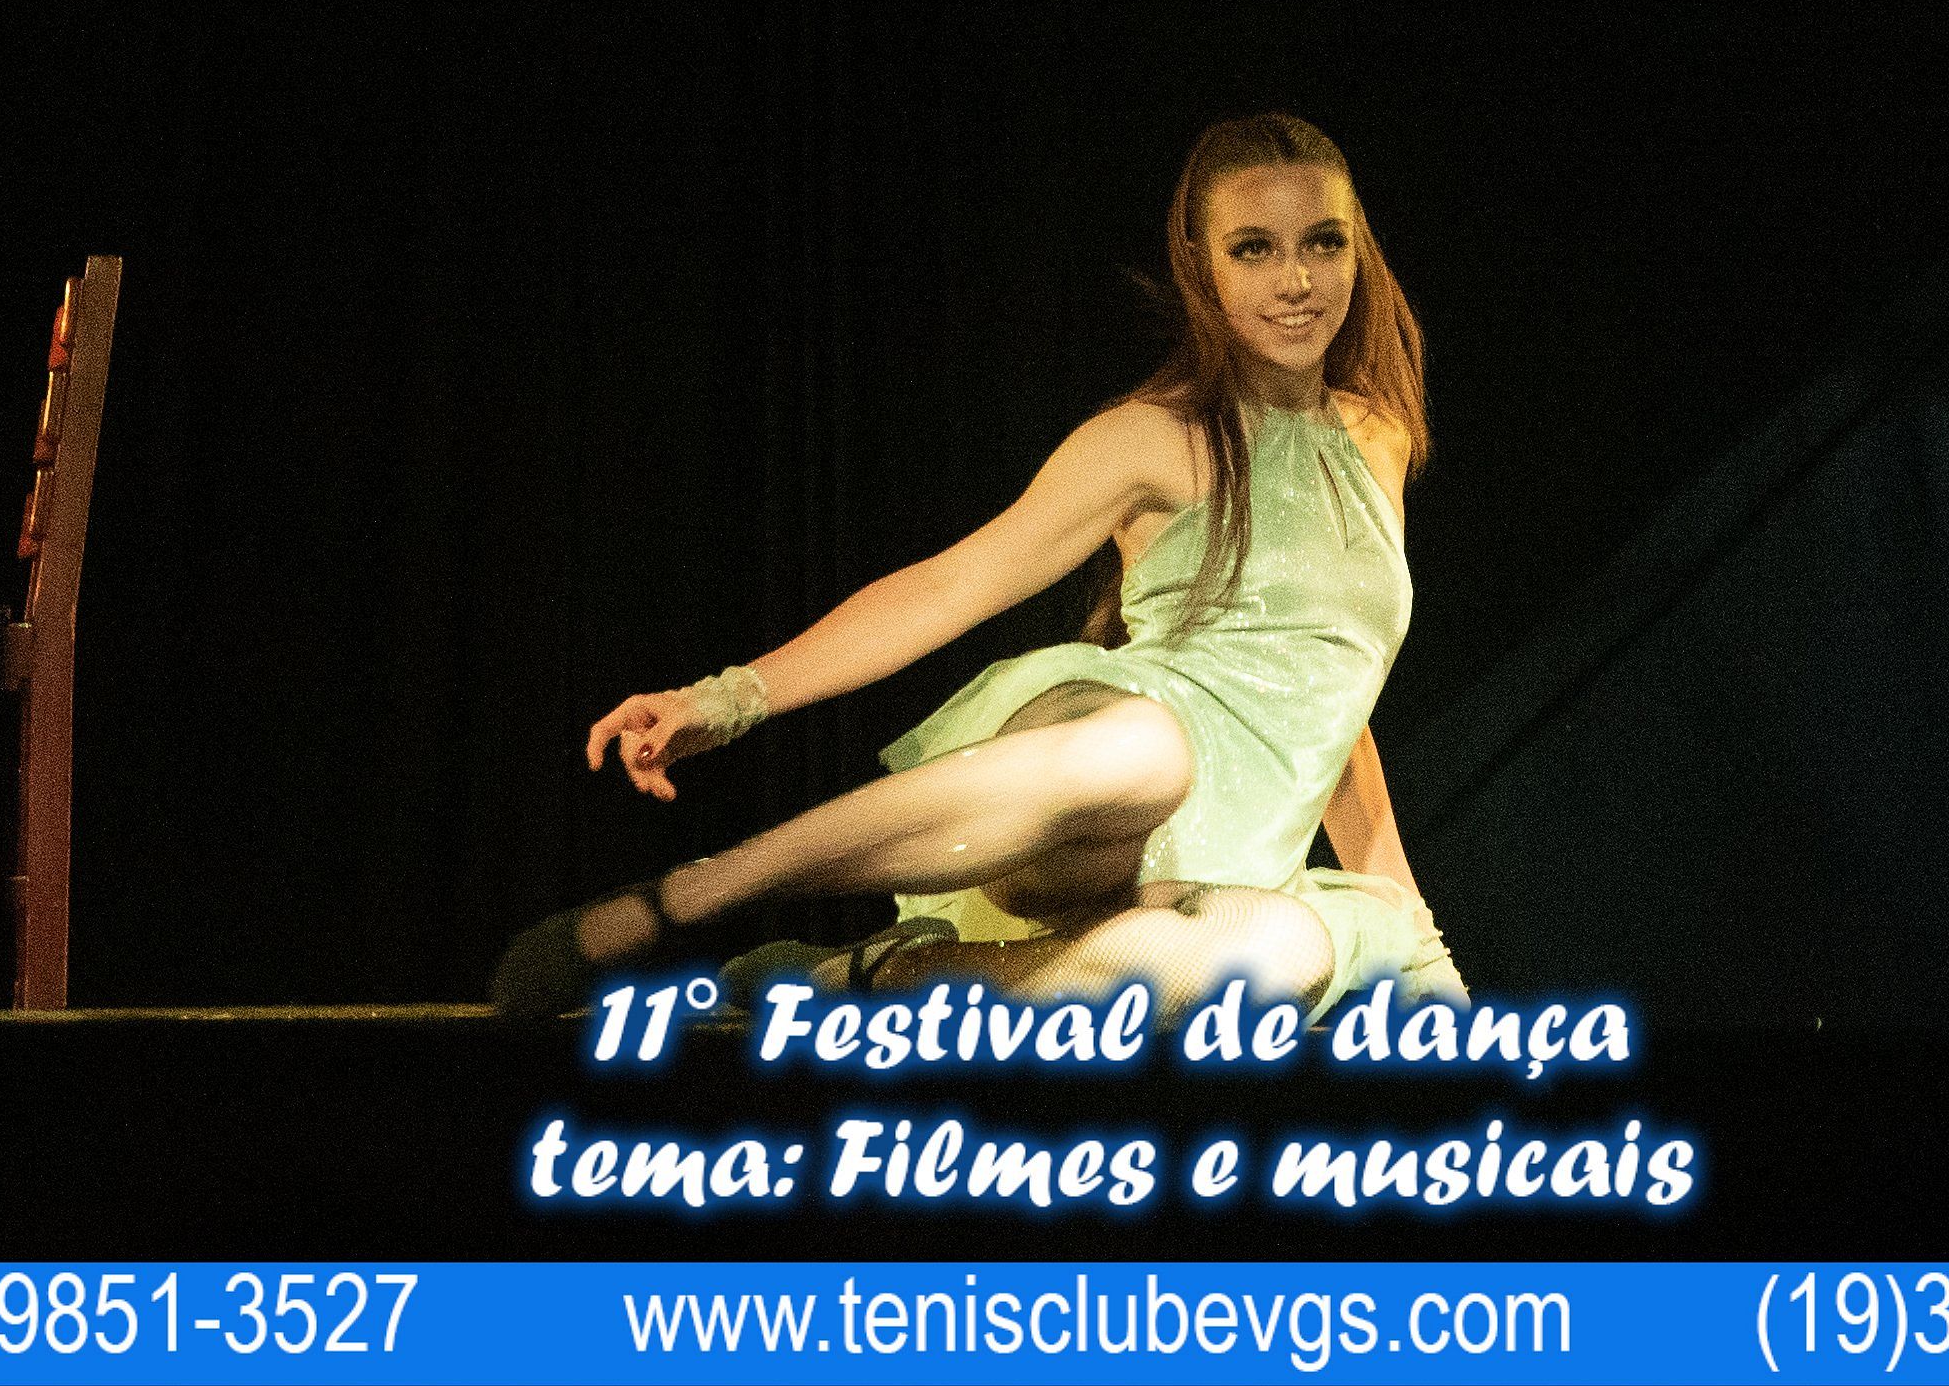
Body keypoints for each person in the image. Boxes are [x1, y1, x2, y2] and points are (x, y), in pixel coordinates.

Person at [486, 112, 1465, 1021]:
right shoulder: (1149, 438)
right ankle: (685, 898)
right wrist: (725, 698)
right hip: (1088, 800)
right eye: (1254, 247)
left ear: (1359, 250)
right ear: (1200, 266)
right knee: (1148, 752)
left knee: (1271, 958)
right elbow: (948, 585)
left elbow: (1336, 704)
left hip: (1225, 876)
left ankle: (865, 974)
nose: (1296, 279)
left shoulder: (1378, 438)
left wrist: (1423, 944)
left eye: (1322, 242)